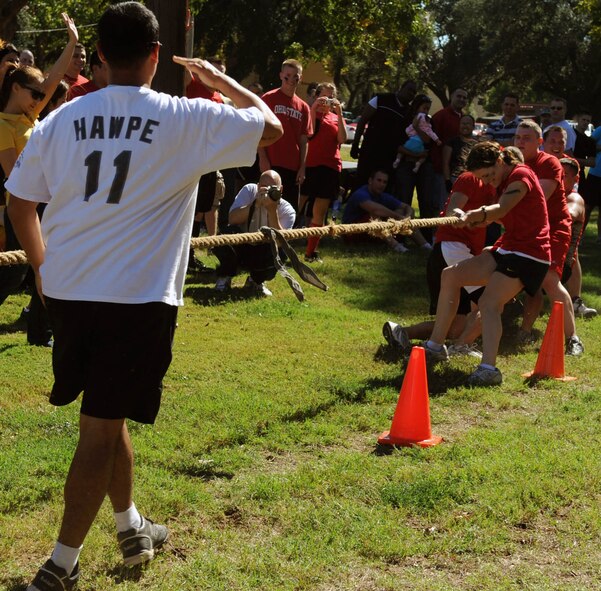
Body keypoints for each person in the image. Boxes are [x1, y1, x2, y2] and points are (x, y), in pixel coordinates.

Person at [7, 2, 282, 588]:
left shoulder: (61, 118)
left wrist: (39, 267)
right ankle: (60, 565)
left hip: (70, 292)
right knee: (101, 426)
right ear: (157, 56)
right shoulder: (186, 116)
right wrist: (219, 80)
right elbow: (274, 127)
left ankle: (133, 527)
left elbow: (19, 201)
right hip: (135, 299)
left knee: (108, 410)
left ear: (100, 56)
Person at [423, 142, 551, 386]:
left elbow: (500, 208)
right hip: (509, 248)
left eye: (490, 175)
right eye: (483, 178)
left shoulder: (520, 175)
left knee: (489, 302)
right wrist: (468, 219)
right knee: (450, 275)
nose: (489, 181)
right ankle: (435, 346)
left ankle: (489, 369)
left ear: (500, 161)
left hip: (531, 255)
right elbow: (497, 217)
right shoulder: (501, 181)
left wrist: (476, 214)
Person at [0, 13, 79, 349]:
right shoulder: (3, 124)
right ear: (15, 88)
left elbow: (54, 80)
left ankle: (40, 333)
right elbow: (12, 173)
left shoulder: (29, 114)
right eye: (33, 92)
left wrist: (72, 42)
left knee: (43, 269)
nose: (40, 98)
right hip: (20, 206)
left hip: (44, 202)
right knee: (16, 271)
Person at [383, 171, 495, 357]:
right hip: (454, 251)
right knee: (492, 299)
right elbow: (452, 209)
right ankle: (459, 347)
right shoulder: (470, 178)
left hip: (456, 252)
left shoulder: (493, 186)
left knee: (456, 327)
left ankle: (401, 333)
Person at [514, 120, 583, 355]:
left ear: (538, 142)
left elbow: (538, 199)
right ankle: (524, 330)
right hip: (526, 228)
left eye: (527, 138)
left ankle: (572, 338)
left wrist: (500, 208)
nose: (521, 142)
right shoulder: (514, 162)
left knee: (549, 280)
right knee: (529, 284)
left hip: (553, 228)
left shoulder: (549, 163)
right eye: (518, 138)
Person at [213, 170, 295, 295]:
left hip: (263, 250)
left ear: (281, 189)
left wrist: (272, 211)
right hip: (242, 246)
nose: (267, 191)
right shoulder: (249, 191)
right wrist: (255, 204)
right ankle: (224, 276)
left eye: (273, 188)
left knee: (281, 253)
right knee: (225, 234)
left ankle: (256, 281)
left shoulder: (287, 210)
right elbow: (232, 219)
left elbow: (280, 243)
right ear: (257, 186)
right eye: (264, 187)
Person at [300, 82, 346, 262]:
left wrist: (339, 114)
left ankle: (311, 252)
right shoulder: (309, 113)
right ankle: (280, 247)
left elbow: (341, 138)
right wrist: (314, 107)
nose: (327, 102)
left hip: (330, 167)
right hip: (309, 166)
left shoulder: (335, 117)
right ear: (316, 96)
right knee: (296, 206)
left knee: (319, 212)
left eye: (331, 98)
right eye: (324, 97)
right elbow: (309, 133)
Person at [258, 58, 312, 212]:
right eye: (288, 75)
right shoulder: (268, 99)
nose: (291, 79)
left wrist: (302, 167)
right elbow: (259, 130)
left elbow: (303, 140)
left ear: (300, 78)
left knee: (288, 210)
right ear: (281, 75)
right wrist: (262, 158)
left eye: (296, 76)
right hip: (271, 163)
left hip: (292, 167)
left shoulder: (304, 107)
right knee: (267, 207)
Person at [341, 169, 431, 253]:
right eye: (379, 180)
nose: (381, 184)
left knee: (401, 211)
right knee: (374, 216)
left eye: (384, 182)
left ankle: (425, 245)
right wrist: (398, 217)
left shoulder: (383, 196)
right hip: (351, 234)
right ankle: (396, 246)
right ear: (370, 181)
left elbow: (408, 208)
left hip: (372, 233)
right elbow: (375, 210)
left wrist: (406, 217)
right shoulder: (360, 194)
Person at [350, 80, 417, 190]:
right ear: (401, 88)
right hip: (369, 152)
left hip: (389, 159)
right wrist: (355, 144)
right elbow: (363, 121)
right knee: (362, 185)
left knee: (382, 191)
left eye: (414, 92)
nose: (411, 94)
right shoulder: (381, 99)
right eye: (409, 90)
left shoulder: (409, 112)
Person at [559, 157, 597, 318]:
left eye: (565, 175)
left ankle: (571, 334)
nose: (560, 177)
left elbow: (571, 213)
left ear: (576, 179)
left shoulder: (574, 198)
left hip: (562, 264)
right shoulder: (553, 195)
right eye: (558, 173)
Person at [393, 94, 441, 174]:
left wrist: (416, 127)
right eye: (424, 108)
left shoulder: (429, 121)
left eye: (428, 109)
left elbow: (428, 141)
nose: (426, 112)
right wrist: (415, 155)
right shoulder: (406, 120)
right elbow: (398, 145)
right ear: (416, 107)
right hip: (405, 163)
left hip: (422, 165)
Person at [442, 114, 477, 191]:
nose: (465, 126)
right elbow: (445, 163)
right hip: (455, 179)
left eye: (468, 124)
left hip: (474, 179)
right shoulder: (451, 142)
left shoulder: (479, 143)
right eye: (463, 123)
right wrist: (447, 180)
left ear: (473, 126)